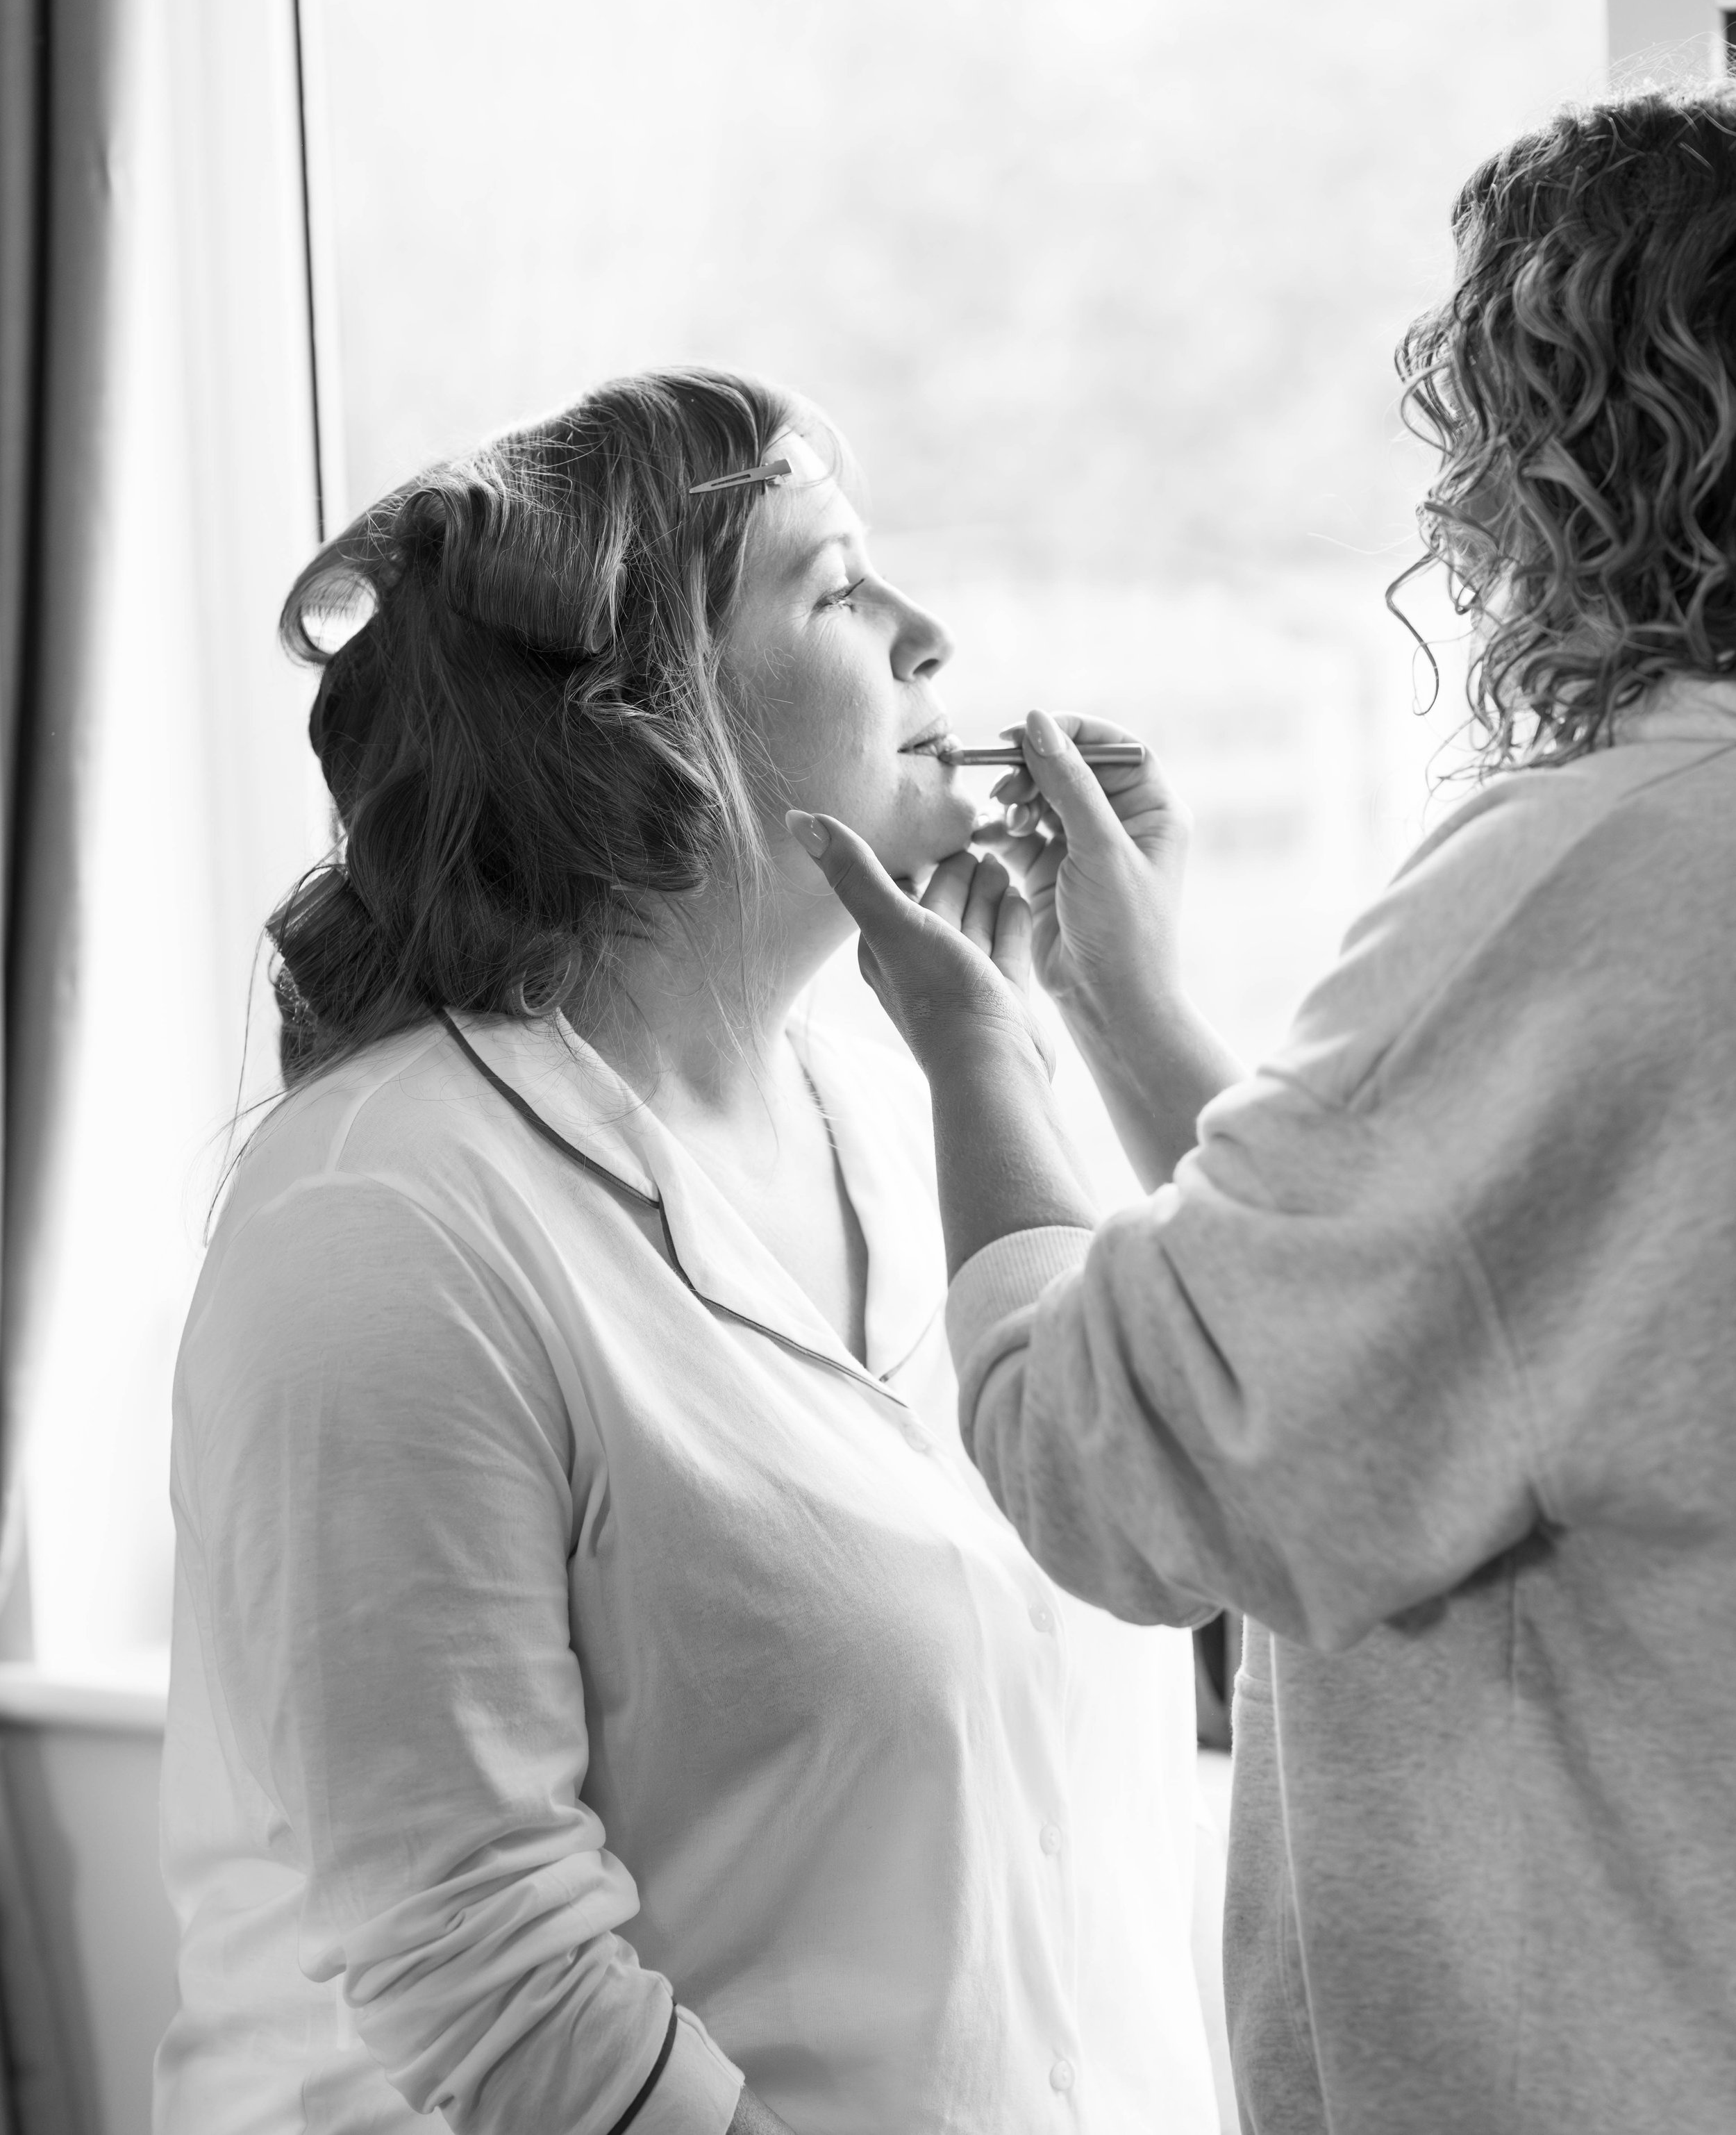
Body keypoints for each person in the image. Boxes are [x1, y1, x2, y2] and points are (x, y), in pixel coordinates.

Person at [790, 84, 1736, 2135]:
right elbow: (1455, 1321)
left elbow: (1123, 1456)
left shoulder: (1605, 863)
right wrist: (1125, 1008)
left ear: (1568, 445)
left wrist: (979, 1051)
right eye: (829, 587)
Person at [153, 368, 1223, 2135]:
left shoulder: (924, 1108)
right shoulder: (385, 1217)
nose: (928, 633)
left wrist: (1084, 1023)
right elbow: (489, 1971)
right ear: (646, 721)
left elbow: (1200, 1501)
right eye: (838, 583)